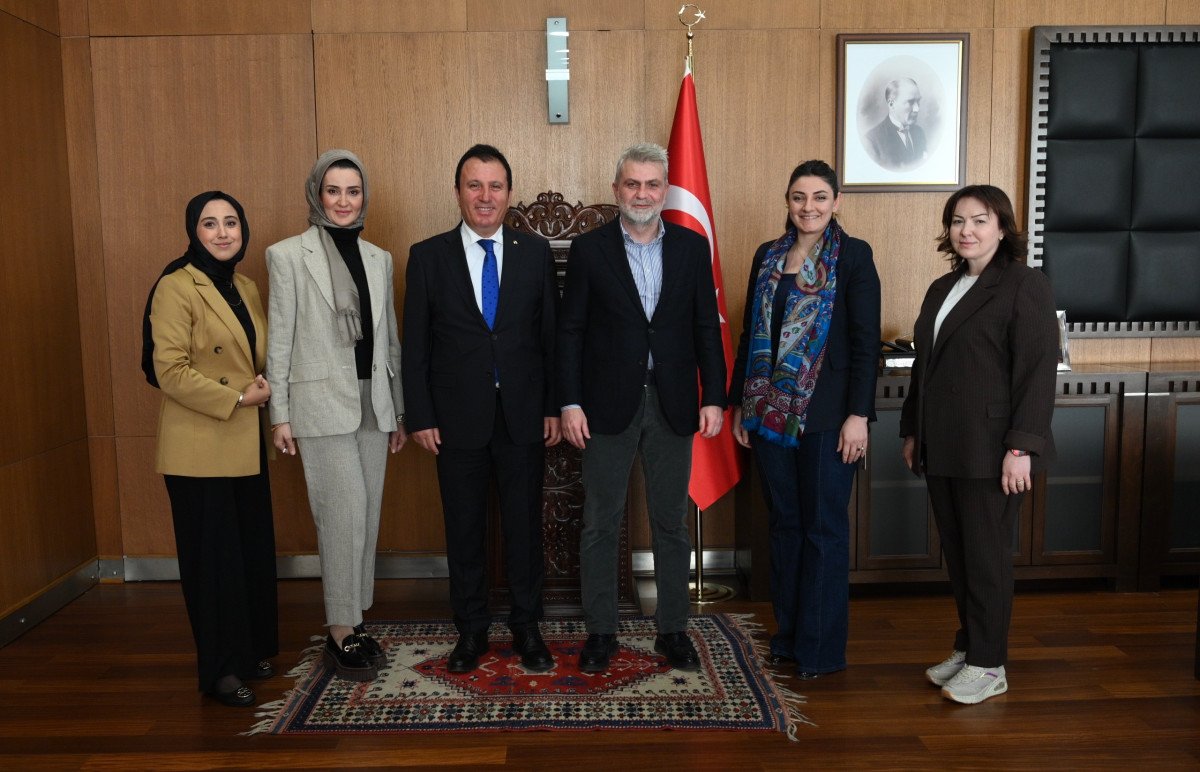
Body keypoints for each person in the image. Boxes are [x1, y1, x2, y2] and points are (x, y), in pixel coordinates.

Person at [558, 142, 726, 673]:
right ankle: (601, 632)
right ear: (617, 190)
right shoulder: (589, 250)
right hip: (605, 404)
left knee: (671, 522)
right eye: (632, 184)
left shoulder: (692, 247)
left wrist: (714, 396)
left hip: (674, 401)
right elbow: (570, 333)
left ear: (666, 190)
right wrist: (570, 402)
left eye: (653, 184)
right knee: (600, 523)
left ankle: (672, 629)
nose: (642, 194)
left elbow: (706, 327)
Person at [402, 144, 560, 674]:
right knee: (464, 529)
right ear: (458, 193)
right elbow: (415, 347)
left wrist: (553, 406)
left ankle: (527, 628)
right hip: (454, 421)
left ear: (509, 194)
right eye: (475, 185)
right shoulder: (428, 256)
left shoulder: (535, 253)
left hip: (524, 416)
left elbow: (550, 338)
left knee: (523, 529)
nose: (485, 196)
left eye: (495, 186)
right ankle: (470, 631)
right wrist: (421, 415)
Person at [900, 184, 1058, 705]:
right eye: (957, 221)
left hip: (993, 449)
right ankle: (970, 647)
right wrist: (912, 430)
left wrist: (1021, 448)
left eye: (979, 220)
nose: (966, 230)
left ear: (1003, 227)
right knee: (962, 556)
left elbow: (1037, 373)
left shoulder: (1025, 284)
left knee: (986, 559)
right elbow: (925, 366)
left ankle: (990, 665)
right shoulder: (943, 287)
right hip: (943, 444)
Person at [729, 160, 881, 680]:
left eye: (819, 197)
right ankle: (789, 637)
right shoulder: (767, 256)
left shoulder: (853, 256)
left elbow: (866, 344)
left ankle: (821, 650)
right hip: (769, 415)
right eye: (799, 197)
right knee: (786, 527)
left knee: (823, 530)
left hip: (829, 417)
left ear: (836, 202)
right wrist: (741, 404)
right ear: (788, 202)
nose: (808, 207)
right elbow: (750, 335)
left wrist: (858, 415)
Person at [266, 149, 406, 682]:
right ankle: (340, 631)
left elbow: (388, 339)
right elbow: (280, 341)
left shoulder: (379, 258)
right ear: (316, 194)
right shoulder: (287, 256)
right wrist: (279, 414)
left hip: (374, 401)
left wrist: (396, 410)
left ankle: (355, 620)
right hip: (319, 403)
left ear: (363, 196)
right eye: (333, 191)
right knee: (341, 515)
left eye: (353, 191)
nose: (343, 201)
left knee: (365, 516)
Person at [149, 191, 277, 707]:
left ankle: (246, 652)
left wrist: (261, 388)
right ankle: (220, 671)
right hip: (200, 447)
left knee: (246, 554)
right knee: (213, 564)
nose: (223, 233)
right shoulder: (176, 285)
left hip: (244, 442)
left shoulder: (244, 286)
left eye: (231, 222)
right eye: (210, 223)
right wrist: (239, 397)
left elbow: (252, 356)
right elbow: (169, 370)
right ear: (193, 231)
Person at [864, 78, 927, 170]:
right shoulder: (872, 140)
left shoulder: (919, 133)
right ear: (891, 105)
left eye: (918, 101)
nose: (917, 109)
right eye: (910, 102)